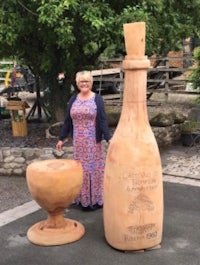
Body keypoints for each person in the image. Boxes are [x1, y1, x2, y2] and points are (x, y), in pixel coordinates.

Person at [56, 70, 111, 211]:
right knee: (81, 170)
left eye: (87, 81)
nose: (84, 84)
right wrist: (61, 138)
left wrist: (109, 138)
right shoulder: (73, 99)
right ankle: (82, 199)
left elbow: (103, 120)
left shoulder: (97, 99)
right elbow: (68, 121)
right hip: (78, 143)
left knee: (93, 170)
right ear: (77, 83)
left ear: (91, 83)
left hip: (93, 142)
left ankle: (96, 200)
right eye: (81, 81)